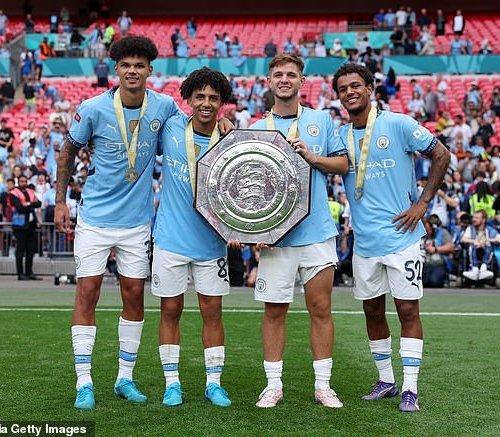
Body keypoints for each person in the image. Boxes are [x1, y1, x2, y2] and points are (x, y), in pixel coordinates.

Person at [54, 35, 231, 411]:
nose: (132, 71)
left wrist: (225, 121)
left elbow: (199, 123)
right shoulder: (93, 108)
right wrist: (59, 202)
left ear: (151, 70)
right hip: (95, 219)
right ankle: (84, 381)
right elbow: (68, 150)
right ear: (116, 70)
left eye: (140, 65)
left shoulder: (164, 107)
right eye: (126, 65)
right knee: (87, 292)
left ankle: (124, 378)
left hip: (138, 224)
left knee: (134, 296)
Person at [333, 63, 450, 412]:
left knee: (407, 309)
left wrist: (423, 204)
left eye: (356, 85)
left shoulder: (397, 123)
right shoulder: (339, 135)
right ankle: (386, 380)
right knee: (372, 310)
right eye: (343, 88)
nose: (350, 92)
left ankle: (410, 388)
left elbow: (442, 154)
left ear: (370, 88)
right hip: (365, 242)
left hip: (403, 237)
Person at [249, 54, 349, 409]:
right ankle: (273, 385)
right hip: (276, 237)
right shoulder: (258, 126)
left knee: (321, 308)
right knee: (274, 310)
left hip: (317, 232)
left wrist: (313, 158)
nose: (285, 79)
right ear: (270, 81)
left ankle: (323, 385)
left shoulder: (321, 119)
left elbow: (343, 163)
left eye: (291, 74)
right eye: (278, 74)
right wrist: (253, 227)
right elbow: (251, 185)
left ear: (302, 81)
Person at [152, 67, 234, 407]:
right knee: (170, 310)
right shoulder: (171, 127)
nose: (206, 103)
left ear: (222, 103)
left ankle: (213, 383)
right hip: (170, 239)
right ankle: (172, 383)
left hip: (212, 242)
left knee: (212, 312)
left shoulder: (231, 139)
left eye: (214, 98)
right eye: (200, 96)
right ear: (188, 98)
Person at [10, 174, 41, 280]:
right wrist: (31, 205)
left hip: (31, 225)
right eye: (22, 181)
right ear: (18, 182)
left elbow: (39, 203)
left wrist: (28, 204)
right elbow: (19, 208)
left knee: (30, 250)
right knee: (20, 250)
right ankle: (20, 273)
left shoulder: (30, 191)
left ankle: (29, 272)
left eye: (25, 181)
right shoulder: (13, 193)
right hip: (20, 226)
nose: (24, 183)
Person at [461, 209, 500, 281]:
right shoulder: (470, 228)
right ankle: (474, 270)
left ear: (483, 220)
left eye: (477, 218)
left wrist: (487, 240)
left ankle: (483, 269)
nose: (474, 220)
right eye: (474, 217)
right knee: (472, 246)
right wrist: (474, 241)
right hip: (474, 250)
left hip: (486, 251)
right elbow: (463, 239)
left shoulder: (489, 229)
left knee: (489, 247)